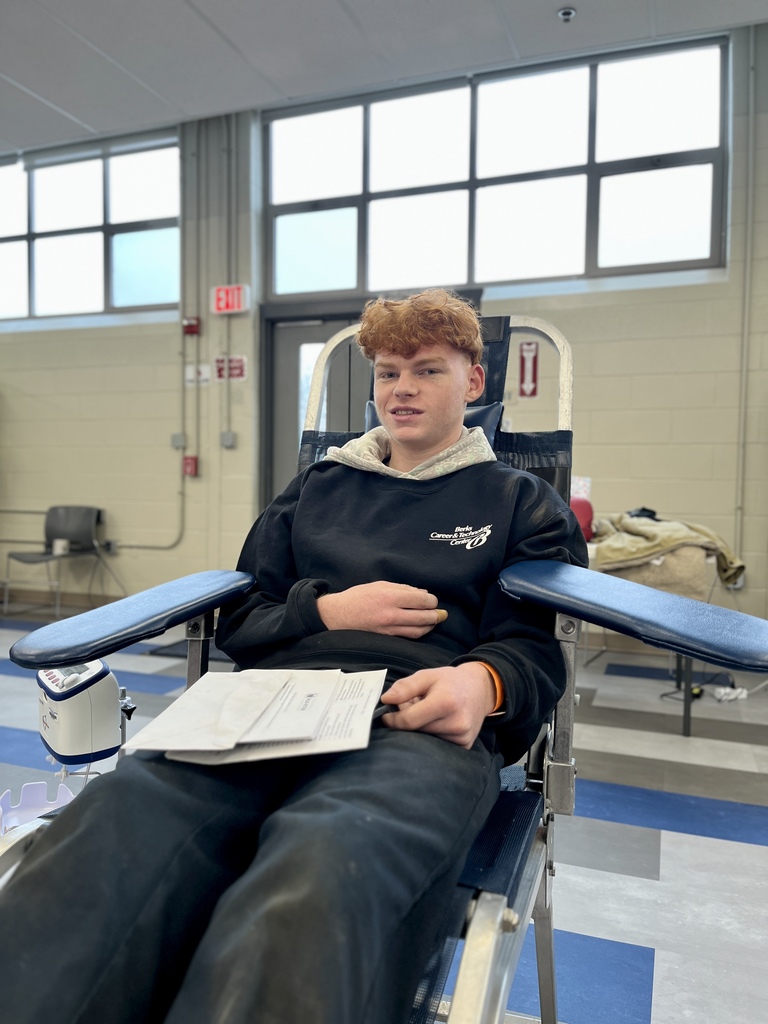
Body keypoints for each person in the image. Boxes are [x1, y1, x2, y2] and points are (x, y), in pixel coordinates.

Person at [0, 288, 587, 1024]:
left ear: (473, 383)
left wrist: (483, 681)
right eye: (387, 371)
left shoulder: (521, 502)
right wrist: (329, 610)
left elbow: (534, 647)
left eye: (428, 370)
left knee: (325, 864)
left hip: (415, 721)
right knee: (120, 821)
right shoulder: (315, 488)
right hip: (273, 701)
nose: (402, 387)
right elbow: (245, 618)